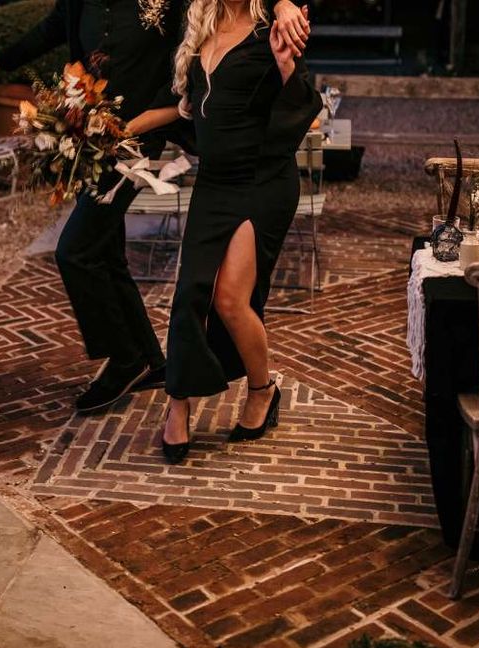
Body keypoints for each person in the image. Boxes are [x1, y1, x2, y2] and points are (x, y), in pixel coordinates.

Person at [0, 0, 310, 413]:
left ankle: (128, 358)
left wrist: (283, 2)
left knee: (77, 249)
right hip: (93, 134)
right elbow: (53, 27)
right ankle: (145, 356)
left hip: (137, 140)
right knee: (102, 248)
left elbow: (231, 9)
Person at [159, 0, 322, 463]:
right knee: (191, 290)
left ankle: (262, 390)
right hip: (214, 181)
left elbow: (305, 100)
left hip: (262, 178)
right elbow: (190, 113)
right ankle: (178, 405)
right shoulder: (199, 25)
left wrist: (286, 63)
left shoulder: (272, 28)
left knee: (230, 299)